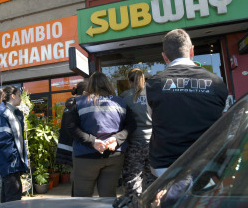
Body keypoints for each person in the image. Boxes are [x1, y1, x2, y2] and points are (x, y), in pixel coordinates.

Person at [146, 29, 228, 177]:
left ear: (164, 57)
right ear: (192, 51)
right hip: (209, 163)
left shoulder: (153, 84)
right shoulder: (217, 83)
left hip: (165, 167)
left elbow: (153, 118)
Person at [66, 72, 135, 197]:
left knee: (82, 198)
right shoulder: (120, 101)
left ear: (90, 85)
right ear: (108, 84)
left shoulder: (80, 102)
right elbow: (131, 125)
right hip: (114, 155)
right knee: (108, 196)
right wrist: (116, 139)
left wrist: (92, 141)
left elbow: (70, 127)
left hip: (85, 157)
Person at [113, 68, 156, 208]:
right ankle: (152, 202)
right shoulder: (152, 94)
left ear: (129, 81)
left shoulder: (125, 96)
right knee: (151, 176)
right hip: (153, 142)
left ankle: (134, 203)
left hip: (133, 142)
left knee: (132, 177)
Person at [0, 86, 29, 203]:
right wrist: (13, 159)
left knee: (9, 198)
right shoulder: (4, 113)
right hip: (10, 164)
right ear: (12, 96)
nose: (21, 98)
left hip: (11, 163)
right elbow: (4, 140)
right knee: (13, 198)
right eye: (19, 95)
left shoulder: (12, 113)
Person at [55, 81, 87, 196]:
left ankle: (76, 199)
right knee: (79, 179)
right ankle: (77, 201)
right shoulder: (79, 105)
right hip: (77, 146)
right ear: (84, 92)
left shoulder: (69, 105)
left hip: (67, 146)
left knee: (76, 175)